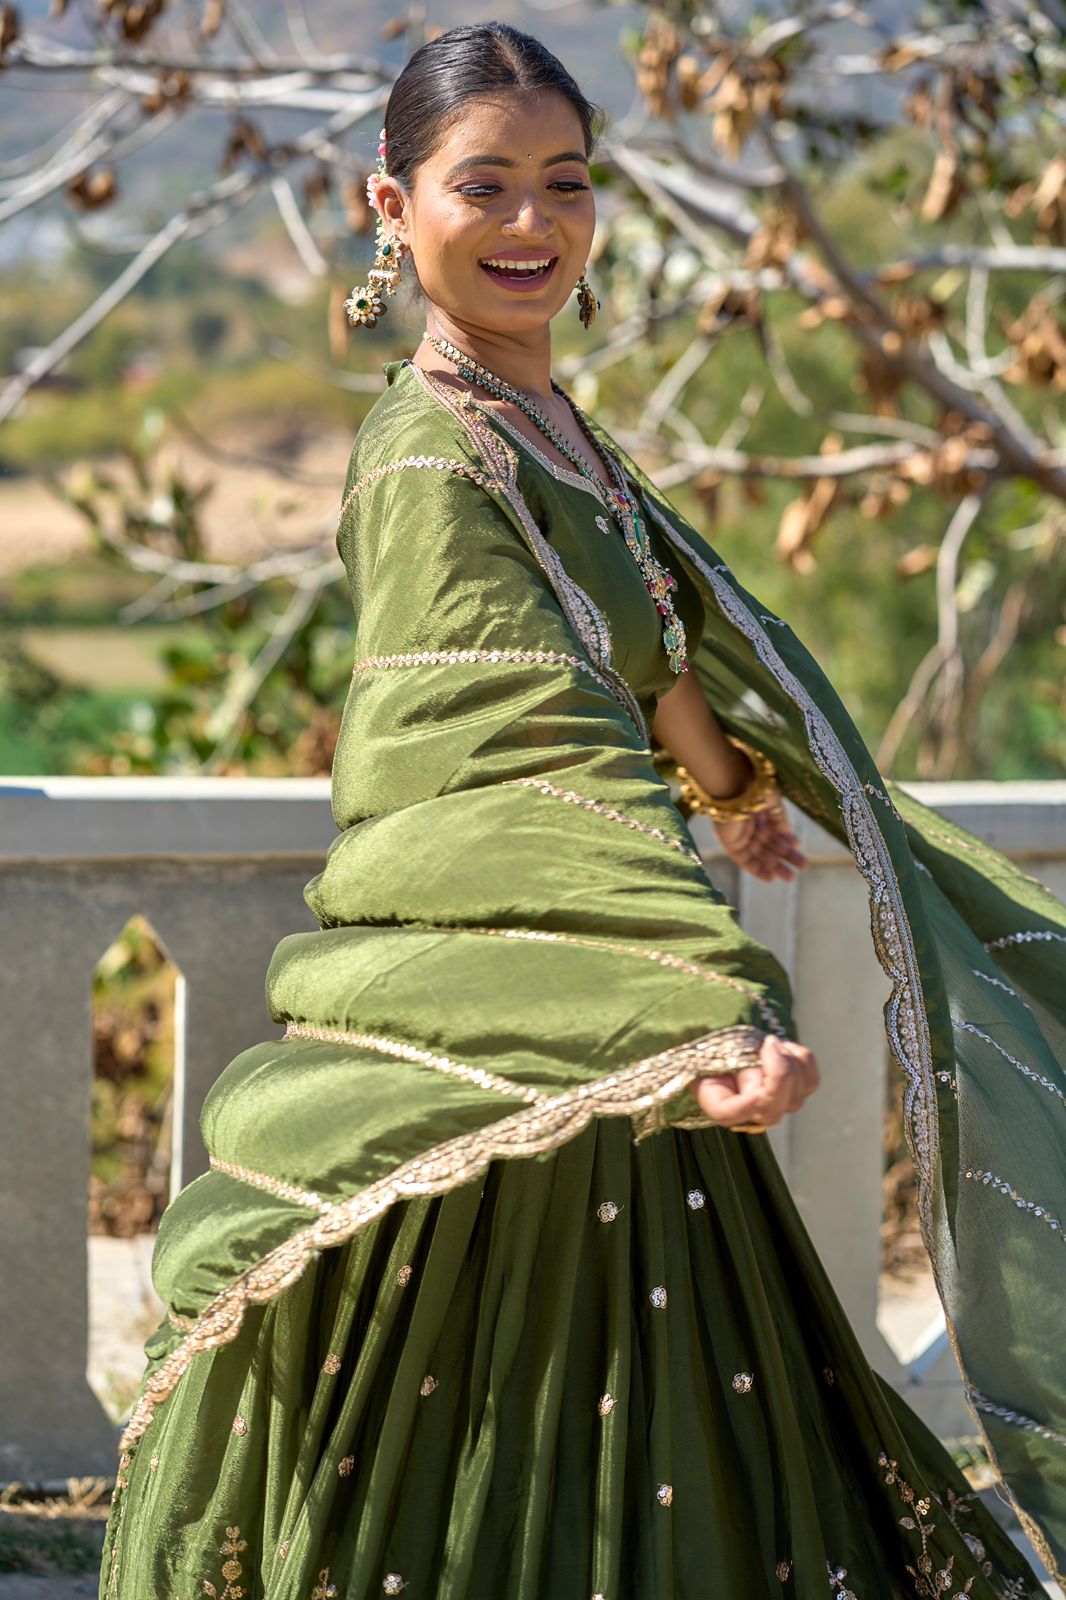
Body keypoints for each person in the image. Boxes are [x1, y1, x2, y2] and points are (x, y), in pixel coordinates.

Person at [99, 22, 1066, 1600]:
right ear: (387, 207)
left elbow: (641, 629)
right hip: (525, 1009)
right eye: (483, 186)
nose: (532, 223)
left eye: (566, 183)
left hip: (611, 994)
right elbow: (510, 736)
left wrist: (731, 780)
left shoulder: (546, 424)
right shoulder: (424, 455)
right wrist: (703, 991)